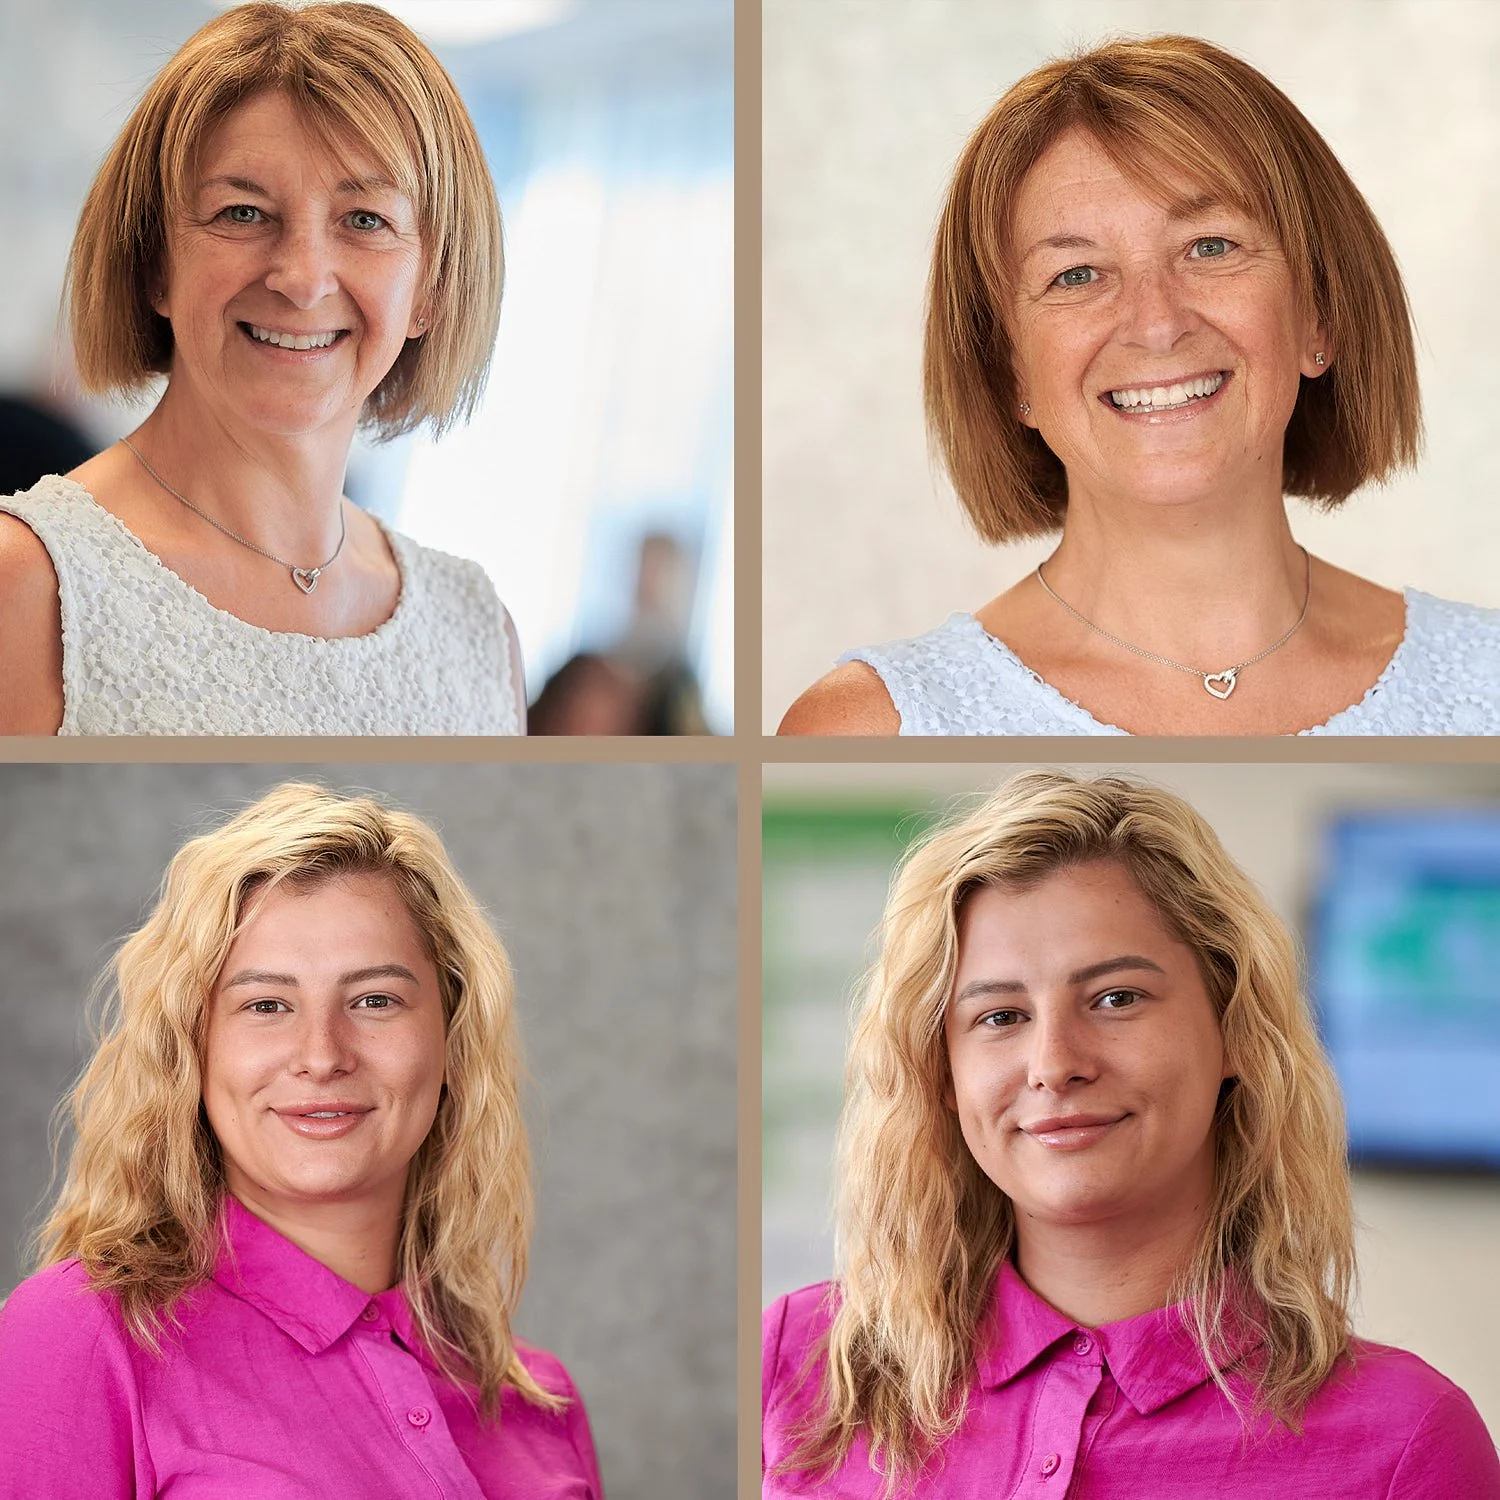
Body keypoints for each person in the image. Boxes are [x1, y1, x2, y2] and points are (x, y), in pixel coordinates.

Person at [762, 771, 1500, 1496]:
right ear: (944, 1076)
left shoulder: (1407, 1440)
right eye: (1000, 1017)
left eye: (1116, 998)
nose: (1053, 1065)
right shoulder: (789, 1364)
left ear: (1236, 1030)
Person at [779, 35, 1500, 736]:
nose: (1156, 324)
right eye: (1076, 275)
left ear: (1320, 312)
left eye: (1209, 246)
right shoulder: (869, 726)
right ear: (1010, 371)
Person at [0, 782, 601, 1497]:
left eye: (375, 1000)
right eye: (266, 1004)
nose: (321, 1055)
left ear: (452, 1039)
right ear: (192, 1049)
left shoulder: (541, 1401)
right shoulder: (78, 1338)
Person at [0, 3, 524, 735]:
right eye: (243, 213)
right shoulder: (24, 587)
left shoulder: (479, 636)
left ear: (431, 290)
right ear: (155, 263)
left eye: (365, 220)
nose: (302, 278)